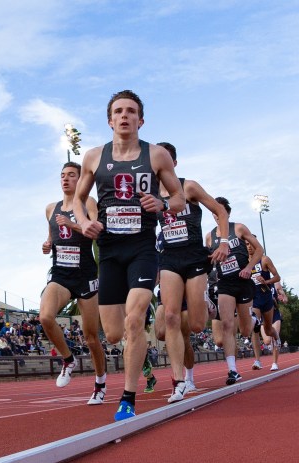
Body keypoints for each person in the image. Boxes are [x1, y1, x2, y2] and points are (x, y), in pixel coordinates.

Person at [73, 89, 185, 421]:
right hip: (108, 251)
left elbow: (178, 198)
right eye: (119, 111)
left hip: (142, 249)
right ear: (110, 120)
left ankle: (128, 396)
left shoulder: (157, 156)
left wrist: (162, 204)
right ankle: (138, 344)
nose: (125, 116)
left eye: (131, 111)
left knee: (134, 320)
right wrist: (84, 222)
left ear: (141, 119)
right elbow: (79, 200)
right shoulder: (94, 157)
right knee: (113, 333)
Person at [155, 142, 229, 402]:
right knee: (172, 317)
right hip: (169, 260)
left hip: (195, 258)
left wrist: (224, 242)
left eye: (165, 160)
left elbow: (219, 211)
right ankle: (178, 382)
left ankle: (204, 300)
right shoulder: (152, 194)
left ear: (173, 163)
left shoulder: (189, 187)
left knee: (197, 325)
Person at [206, 196, 264, 385]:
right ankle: (232, 370)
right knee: (227, 326)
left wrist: (249, 268)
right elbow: (208, 261)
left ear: (227, 213)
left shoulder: (238, 228)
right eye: (213, 211)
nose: (216, 215)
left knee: (246, 331)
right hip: (225, 284)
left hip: (243, 281)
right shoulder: (210, 236)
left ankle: (254, 320)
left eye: (220, 211)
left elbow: (259, 249)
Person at [246, 238, 282, 371]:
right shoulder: (244, 262)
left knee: (268, 330)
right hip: (253, 298)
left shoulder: (265, 259)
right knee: (254, 326)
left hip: (266, 298)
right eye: (246, 244)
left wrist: (265, 281)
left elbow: (277, 277)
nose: (249, 247)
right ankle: (257, 360)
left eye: (251, 244)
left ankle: (276, 336)